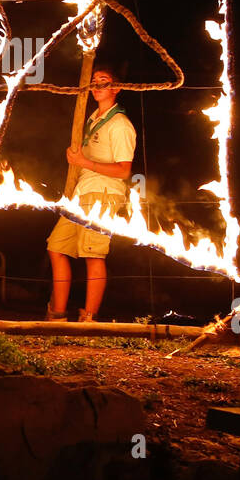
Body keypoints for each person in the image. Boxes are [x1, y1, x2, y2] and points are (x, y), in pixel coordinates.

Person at [44, 65, 136, 322]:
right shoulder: (93, 118)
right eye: (94, 81)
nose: (97, 85)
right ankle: (58, 314)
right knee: (56, 247)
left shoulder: (120, 125)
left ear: (117, 88)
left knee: (93, 253)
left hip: (104, 193)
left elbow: (123, 171)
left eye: (104, 81)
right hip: (81, 192)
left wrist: (84, 163)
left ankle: (89, 320)